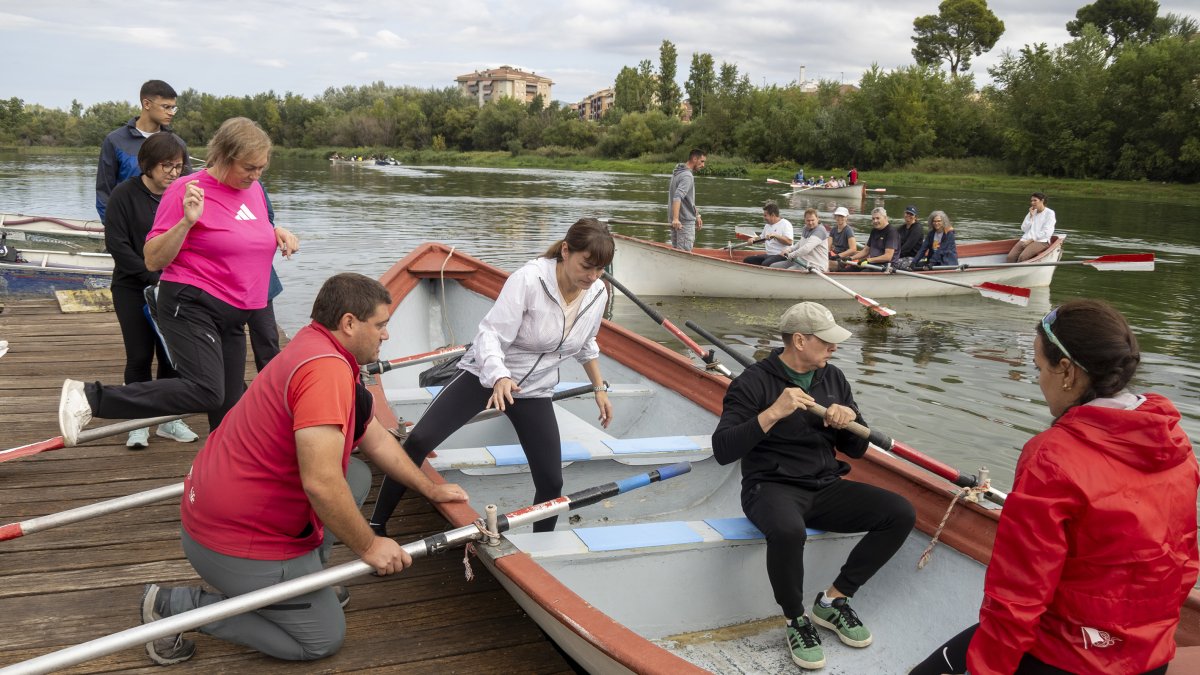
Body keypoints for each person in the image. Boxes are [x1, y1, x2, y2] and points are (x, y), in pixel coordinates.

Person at [137, 272, 470, 665]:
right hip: (232, 540)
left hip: (222, 506)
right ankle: (175, 606)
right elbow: (321, 483)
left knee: (357, 475)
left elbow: (376, 438)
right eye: (380, 325)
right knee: (320, 640)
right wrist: (369, 545)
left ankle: (303, 582)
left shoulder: (316, 345)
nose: (386, 336)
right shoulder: (325, 372)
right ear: (348, 323)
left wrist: (428, 489)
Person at [910, 299, 1197, 675]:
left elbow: (1018, 597)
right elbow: (1184, 561)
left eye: (1038, 369)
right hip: (1149, 655)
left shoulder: (1052, 457)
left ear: (1066, 371)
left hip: (1067, 657)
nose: (1040, 381)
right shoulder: (1174, 442)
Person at [59, 117, 301, 446]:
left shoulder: (253, 190)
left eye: (261, 167)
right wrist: (187, 223)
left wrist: (276, 233)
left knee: (227, 407)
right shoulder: (186, 191)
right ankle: (89, 397)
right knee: (206, 389)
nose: (257, 175)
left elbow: (241, 230)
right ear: (225, 157)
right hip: (192, 303)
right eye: (249, 167)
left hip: (236, 313)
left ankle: (225, 476)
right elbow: (153, 258)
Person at [369, 219, 615, 536]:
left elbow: (586, 343)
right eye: (587, 266)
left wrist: (599, 388)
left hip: (533, 390)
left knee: (552, 483)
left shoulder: (597, 294)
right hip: (485, 377)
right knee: (418, 440)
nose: (593, 276)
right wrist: (498, 376)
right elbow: (490, 336)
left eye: (600, 269)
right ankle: (377, 523)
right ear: (566, 251)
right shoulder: (528, 280)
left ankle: (542, 545)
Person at [713, 302, 915, 670]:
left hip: (824, 486)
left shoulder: (833, 378)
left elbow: (855, 449)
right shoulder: (753, 382)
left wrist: (849, 420)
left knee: (899, 512)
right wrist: (774, 412)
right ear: (801, 341)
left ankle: (834, 601)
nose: (834, 348)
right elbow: (723, 449)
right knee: (789, 531)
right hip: (770, 487)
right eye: (827, 342)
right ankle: (795, 619)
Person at [102, 132, 199, 449]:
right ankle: (138, 423)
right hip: (132, 286)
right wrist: (151, 274)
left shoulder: (183, 194)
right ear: (148, 165)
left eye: (179, 166)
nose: (174, 172)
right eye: (167, 166)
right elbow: (117, 245)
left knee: (171, 359)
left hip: (172, 288)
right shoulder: (123, 194)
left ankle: (169, 420)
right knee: (140, 355)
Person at [96, 80, 190, 219]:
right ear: (146, 104)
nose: (171, 113)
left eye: (173, 108)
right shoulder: (115, 141)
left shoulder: (178, 144)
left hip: (166, 228)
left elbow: (186, 187)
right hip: (126, 227)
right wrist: (112, 226)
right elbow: (104, 191)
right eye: (166, 107)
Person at [668, 149, 706, 251]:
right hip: (684, 223)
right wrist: (676, 219)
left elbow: (688, 200)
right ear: (694, 159)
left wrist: (697, 215)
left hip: (676, 222)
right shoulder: (687, 176)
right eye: (702, 161)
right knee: (683, 255)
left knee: (677, 254)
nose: (703, 165)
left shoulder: (677, 172)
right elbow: (677, 197)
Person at [1006, 192, 1055, 263]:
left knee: (1022, 257)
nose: (1032, 202)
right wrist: (1031, 217)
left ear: (1042, 201)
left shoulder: (1050, 213)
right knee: (1010, 258)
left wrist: (1031, 240)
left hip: (1041, 241)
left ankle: (1021, 272)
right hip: (1026, 239)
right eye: (1031, 201)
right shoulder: (1031, 212)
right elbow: (1023, 228)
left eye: (1035, 200)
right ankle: (1009, 273)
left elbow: (1046, 232)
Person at [744, 201, 794, 266]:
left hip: (782, 255)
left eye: (765, 215)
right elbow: (762, 238)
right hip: (769, 255)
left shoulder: (785, 224)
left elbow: (789, 242)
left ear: (773, 215)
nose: (764, 218)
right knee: (747, 260)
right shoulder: (767, 225)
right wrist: (753, 239)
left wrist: (775, 236)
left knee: (765, 263)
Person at [893, 205, 924, 270]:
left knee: (891, 263)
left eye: (911, 214)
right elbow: (892, 240)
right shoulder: (901, 228)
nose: (908, 215)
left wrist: (893, 255)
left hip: (913, 257)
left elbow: (907, 247)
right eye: (907, 213)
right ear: (904, 214)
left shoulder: (917, 228)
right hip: (901, 255)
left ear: (915, 217)